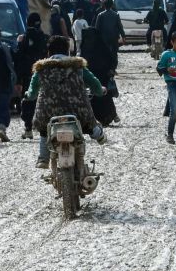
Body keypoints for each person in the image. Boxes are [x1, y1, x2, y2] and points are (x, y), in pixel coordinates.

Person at [23, 35, 107, 169]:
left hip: (48, 113)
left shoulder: (40, 70)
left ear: (48, 52)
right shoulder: (78, 67)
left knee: (44, 131)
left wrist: (27, 95)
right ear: (68, 51)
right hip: (78, 111)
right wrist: (101, 90)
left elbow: (32, 94)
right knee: (89, 124)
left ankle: (43, 159)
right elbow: (95, 85)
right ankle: (99, 136)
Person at [15, 13, 49, 140]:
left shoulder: (23, 39)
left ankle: (28, 128)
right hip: (44, 74)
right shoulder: (45, 38)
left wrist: (18, 80)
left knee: (28, 101)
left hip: (28, 75)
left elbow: (19, 60)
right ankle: (44, 129)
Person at [79, 27, 118, 126]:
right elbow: (112, 59)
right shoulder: (100, 45)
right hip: (94, 75)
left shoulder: (86, 45)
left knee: (100, 95)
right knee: (99, 96)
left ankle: (104, 117)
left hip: (99, 75)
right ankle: (104, 117)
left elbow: (111, 60)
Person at [93, 0, 126, 69]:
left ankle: (106, 67)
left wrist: (96, 39)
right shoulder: (116, 15)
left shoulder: (100, 15)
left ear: (104, 5)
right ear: (112, 5)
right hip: (114, 37)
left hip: (103, 38)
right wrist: (123, 37)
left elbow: (97, 28)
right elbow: (120, 27)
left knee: (104, 53)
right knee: (114, 53)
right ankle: (113, 68)